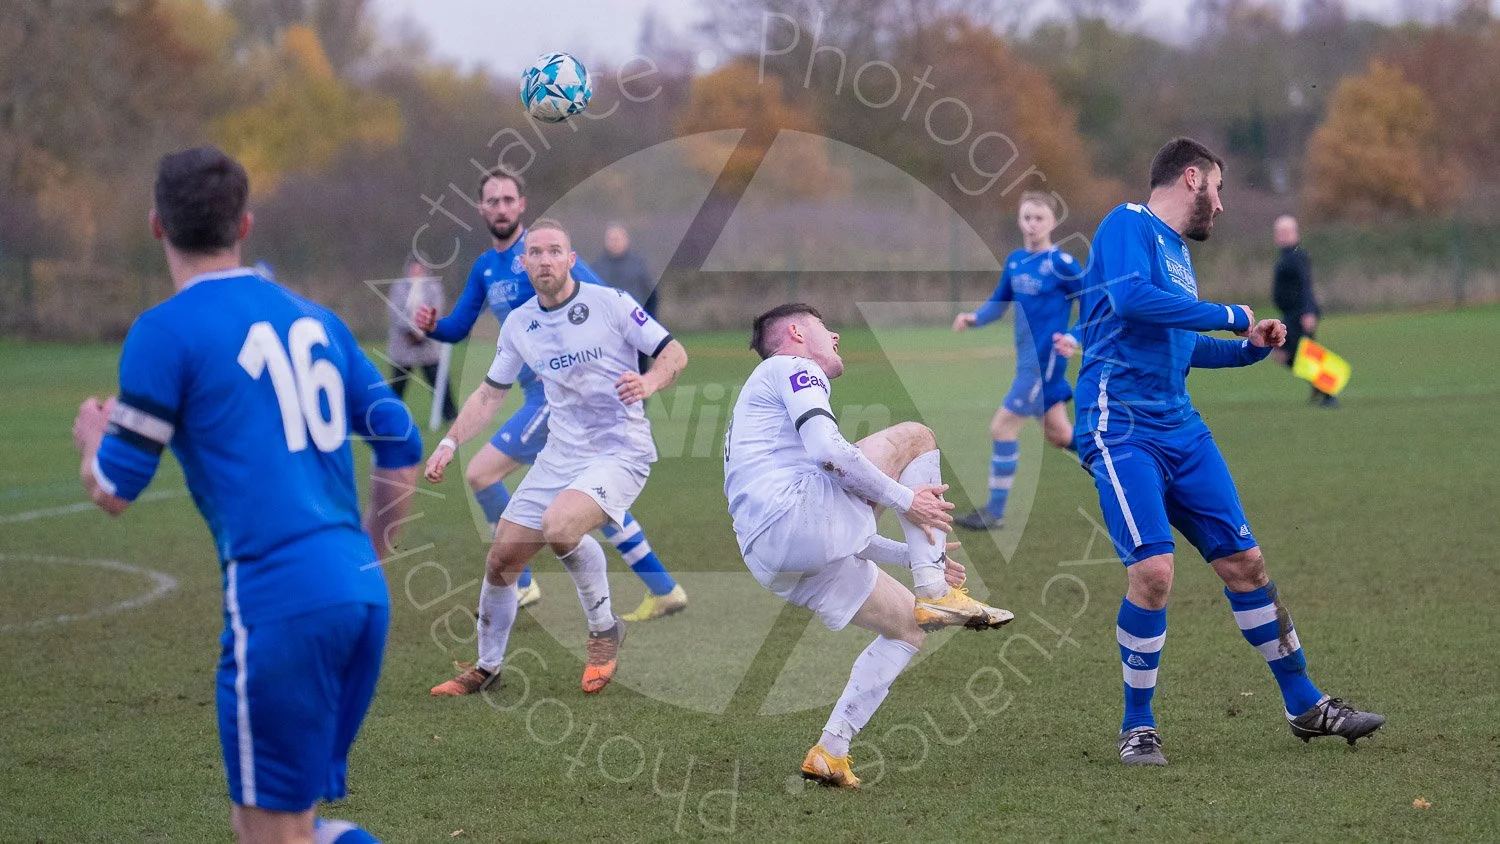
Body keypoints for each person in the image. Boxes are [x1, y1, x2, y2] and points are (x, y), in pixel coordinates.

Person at [72, 147, 421, 843]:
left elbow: (114, 490)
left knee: (275, 834)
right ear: (246, 225)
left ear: (155, 226)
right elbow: (402, 444)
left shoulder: (163, 332)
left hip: (277, 605)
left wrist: (91, 437)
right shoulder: (316, 318)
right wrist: (370, 551)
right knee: (272, 824)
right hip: (358, 594)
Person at [1055, 137, 1383, 767]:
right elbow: (1130, 303)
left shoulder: (1179, 253)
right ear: (1191, 179)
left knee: (1247, 566)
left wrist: (1247, 347)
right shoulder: (1129, 225)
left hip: (1181, 428)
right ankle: (1137, 725)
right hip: (1118, 428)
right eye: (1219, 188)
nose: (1223, 206)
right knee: (1153, 573)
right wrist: (1232, 313)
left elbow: (1176, 345)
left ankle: (1306, 705)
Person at [724, 303, 1012, 789]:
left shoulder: (760, 404)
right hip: (793, 522)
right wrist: (908, 502)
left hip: (770, 555)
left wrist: (913, 552)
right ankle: (934, 586)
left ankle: (830, 751)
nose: (835, 334)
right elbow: (829, 453)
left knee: (907, 629)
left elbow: (831, 527)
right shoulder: (793, 367)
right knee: (917, 437)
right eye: (823, 325)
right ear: (796, 332)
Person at [425, 219, 689, 697]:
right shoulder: (521, 324)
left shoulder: (611, 304)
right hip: (560, 454)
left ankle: (604, 630)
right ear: (523, 265)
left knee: (561, 526)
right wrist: (449, 443)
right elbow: (488, 393)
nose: (545, 260)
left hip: (621, 451)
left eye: (554, 252)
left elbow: (674, 353)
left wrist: (649, 383)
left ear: (570, 259)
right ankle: (487, 667)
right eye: (536, 254)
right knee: (501, 561)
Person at [951, 191, 1082, 531]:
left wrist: (1075, 337)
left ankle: (994, 512)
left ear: (1052, 223)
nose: (1032, 224)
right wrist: (975, 318)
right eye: (1026, 217)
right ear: (1020, 220)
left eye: (1039, 218)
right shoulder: (1015, 261)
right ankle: (1124, 472)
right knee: (1060, 435)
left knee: (1002, 427)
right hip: (1026, 363)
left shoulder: (1062, 264)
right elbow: (999, 302)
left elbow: (1098, 304)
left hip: (1045, 363)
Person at [1271, 215, 1337, 408]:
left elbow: (1306, 285)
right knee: (1293, 354)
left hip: (1299, 314)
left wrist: (1308, 312)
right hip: (1291, 314)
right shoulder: (1287, 255)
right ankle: (1320, 388)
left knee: (1294, 354)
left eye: (1284, 232)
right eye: (1278, 232)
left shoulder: (1296, 256)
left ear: (1294, 233)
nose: (1280, 236)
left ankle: (1328, 392)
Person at [387, 254, 458, 421]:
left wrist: (423, 332)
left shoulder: (433, 287)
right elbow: (394, 311)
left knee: (439, 382)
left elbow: (437, 309)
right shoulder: (399, 288)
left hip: (427, 344)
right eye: (414, 267)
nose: (416, 271)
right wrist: (410, 331)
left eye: (420, 268)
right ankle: (390, 417)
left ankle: (450, 416)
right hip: (403, 344)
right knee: (398, 384)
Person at [597, 222, 659, 376]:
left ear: (626, 240)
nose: (615, 242)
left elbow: (652, 295)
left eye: (618, 238)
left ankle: (640, 400)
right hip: (609, 333)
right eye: (611, 239)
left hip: (637, 328)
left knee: (639, 372)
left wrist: (649, 323)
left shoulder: (638, 264)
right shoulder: (597, 268)